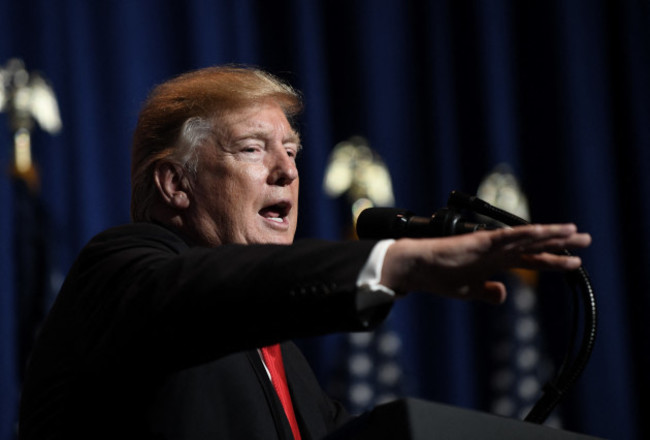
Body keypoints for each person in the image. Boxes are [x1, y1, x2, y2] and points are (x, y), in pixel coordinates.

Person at [17, 65, 591, 440]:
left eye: (291, 151)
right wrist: (394, 263)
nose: (287, 170)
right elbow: (207, 292)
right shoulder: (120, 268)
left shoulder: (278, 351)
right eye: (252, 148)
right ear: (174, 184)